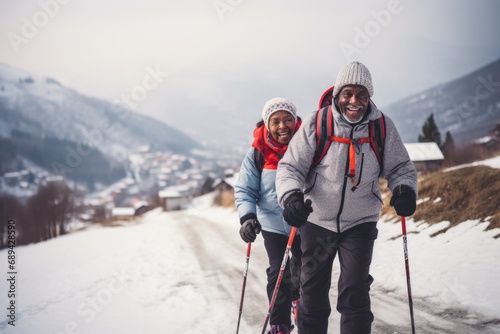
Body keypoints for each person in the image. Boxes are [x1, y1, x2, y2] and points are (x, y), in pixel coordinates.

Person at [275, 61, 418, 334]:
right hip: (317, 221)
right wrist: (291, 197)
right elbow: (290, 167)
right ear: (337, 95)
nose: (355, 101)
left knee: (355, 291)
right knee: (312, 294)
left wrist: (404, 189)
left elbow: (401, 168)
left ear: (369, 97)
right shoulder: (317, 124)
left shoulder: (381, 127)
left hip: (360, 222)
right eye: (348, 93)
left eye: (362, 94)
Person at [234, 97, 303, 334]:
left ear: (296, 121)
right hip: (273, 223)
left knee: (304, 269)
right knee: (278, 272)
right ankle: (279, 324)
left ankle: (300, 303)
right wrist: (247, 218)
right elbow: (245, 189)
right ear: (267, 124)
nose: (282, 126)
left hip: (305, 222)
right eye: (275, 122)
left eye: (287, 120)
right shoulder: (257, 152)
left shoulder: (308, 144)